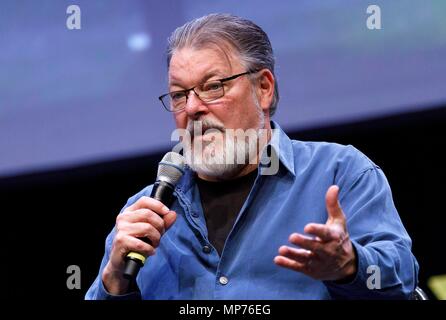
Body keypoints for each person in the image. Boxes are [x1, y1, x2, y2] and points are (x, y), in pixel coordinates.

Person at [85, 13, 419, 300]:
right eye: (178, 94)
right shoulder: (143, 213)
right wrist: (114, 279)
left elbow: (404, 283)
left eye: (213, 86)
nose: (192, 108)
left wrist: (349, 265)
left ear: (264, 88)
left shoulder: (339, 173)